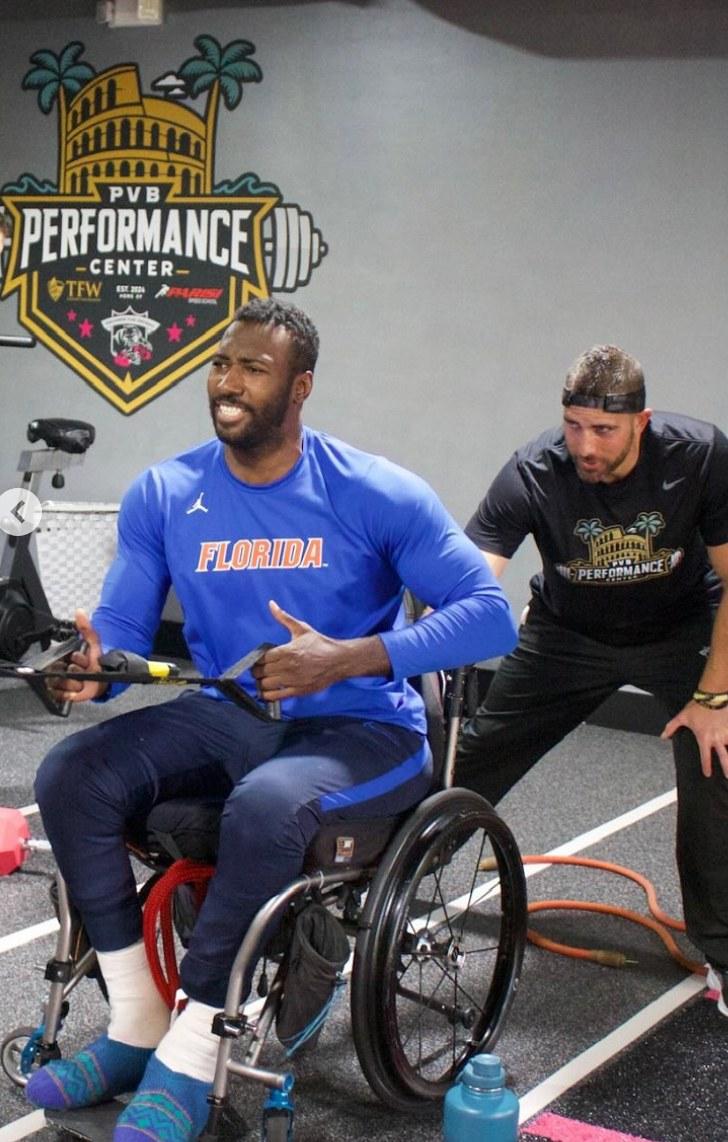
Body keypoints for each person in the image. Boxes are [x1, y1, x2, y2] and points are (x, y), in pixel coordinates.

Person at [25, 298, 517, 1140]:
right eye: (221, 364)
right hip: (230, 714)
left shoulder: (373, 491)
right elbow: (129, 637)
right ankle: (137, 1023)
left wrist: (351, 655)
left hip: (366, 729)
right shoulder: (167, 492)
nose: (227, 381)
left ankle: (189, 1055)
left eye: (253, 367)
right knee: (71, 775)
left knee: (266, 802)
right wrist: (92, 672)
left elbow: (491, 614)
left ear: (300, 387)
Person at [455, 343, 728, 1008]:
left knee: (719, 759)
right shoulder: (535, 470)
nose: (586, 446)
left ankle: (722, 951)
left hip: (681, 629)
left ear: (643, 421)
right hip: (567, 635)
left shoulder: (698, 456)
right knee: (470, 755)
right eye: (574, 426)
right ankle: (384, 884)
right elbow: (467, 578)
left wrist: (715, 698)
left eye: (603, 430)